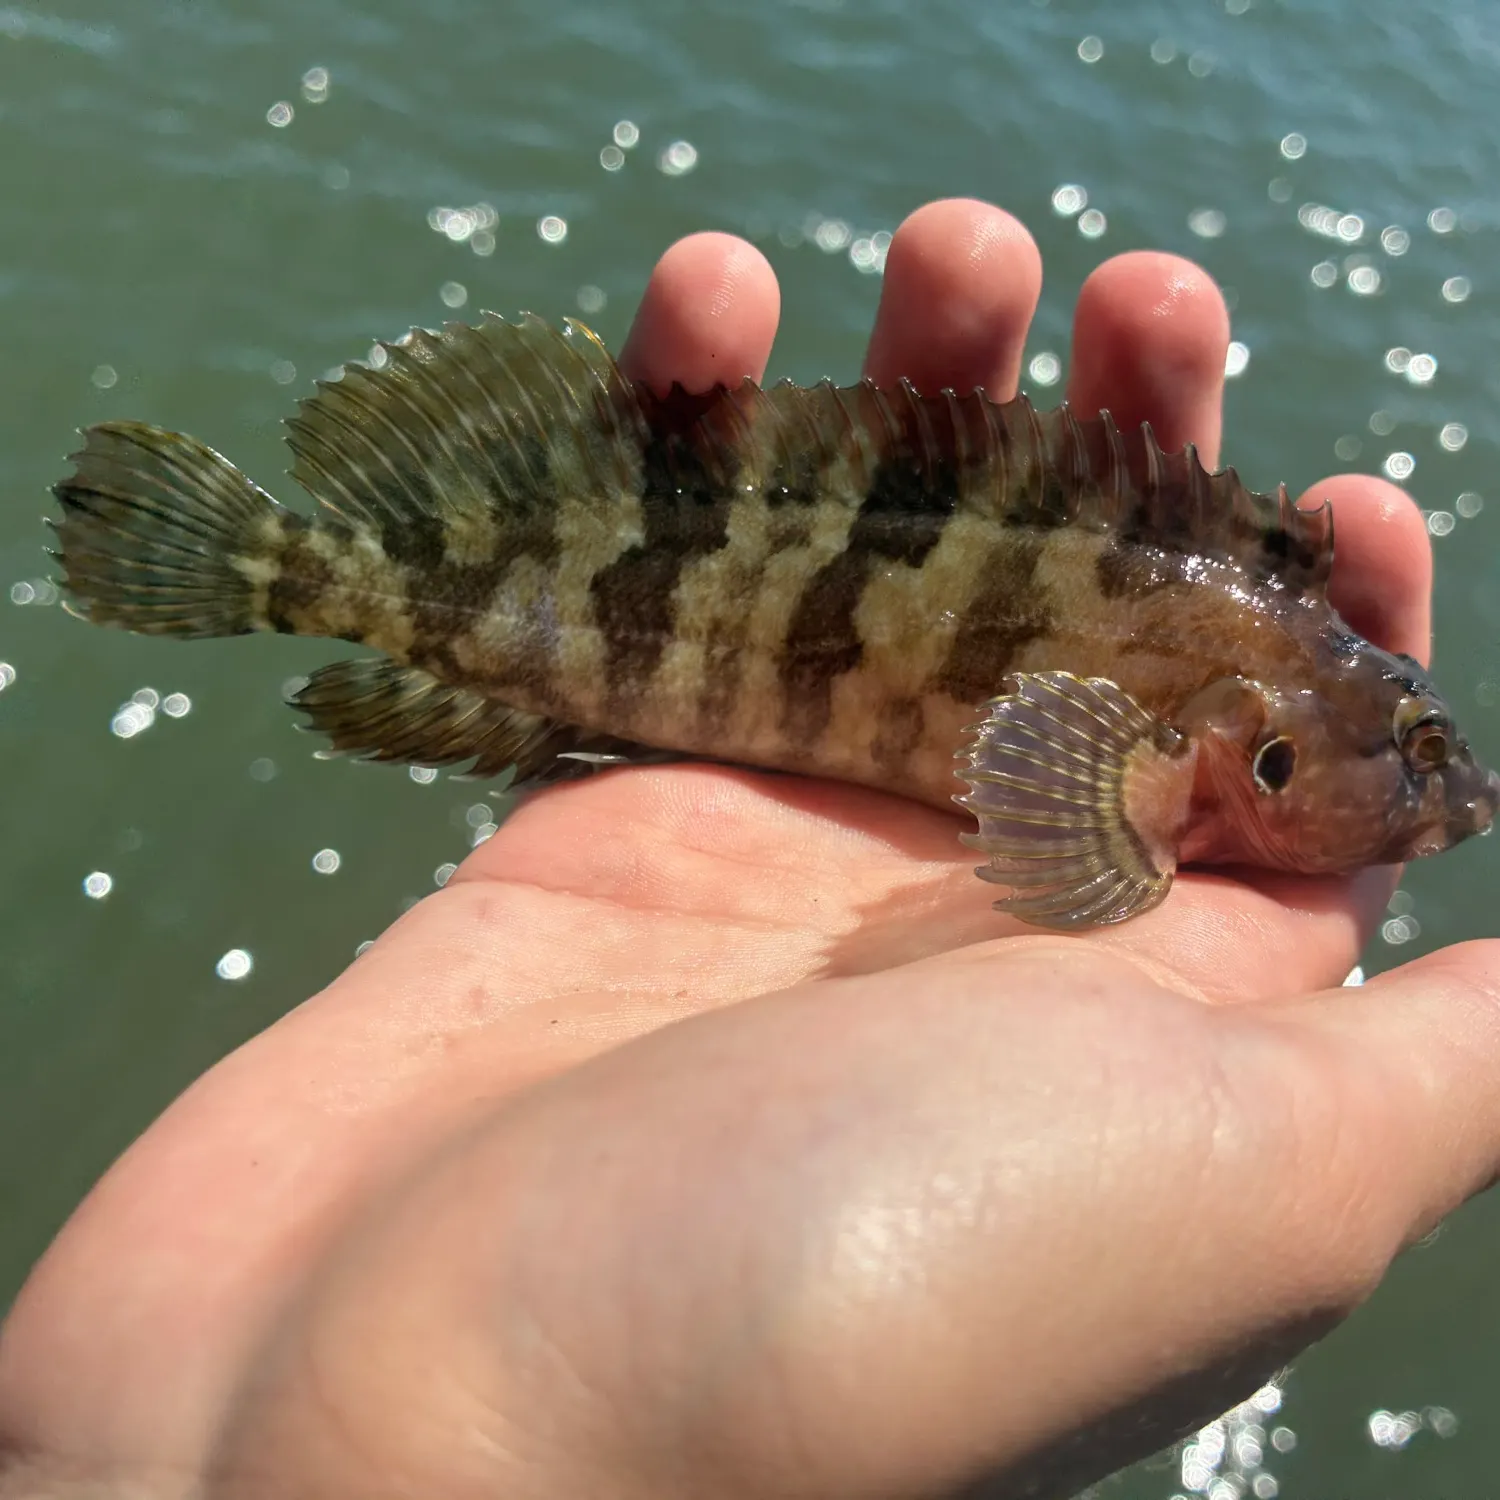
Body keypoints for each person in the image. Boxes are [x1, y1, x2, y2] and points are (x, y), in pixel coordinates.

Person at [1, 197, 1497, 1500]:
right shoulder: (1195, 728)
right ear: (1270, 743)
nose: (1445, 801)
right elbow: (1060, 815)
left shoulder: (1234, 661)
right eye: (1421, 761)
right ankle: (270, 561)